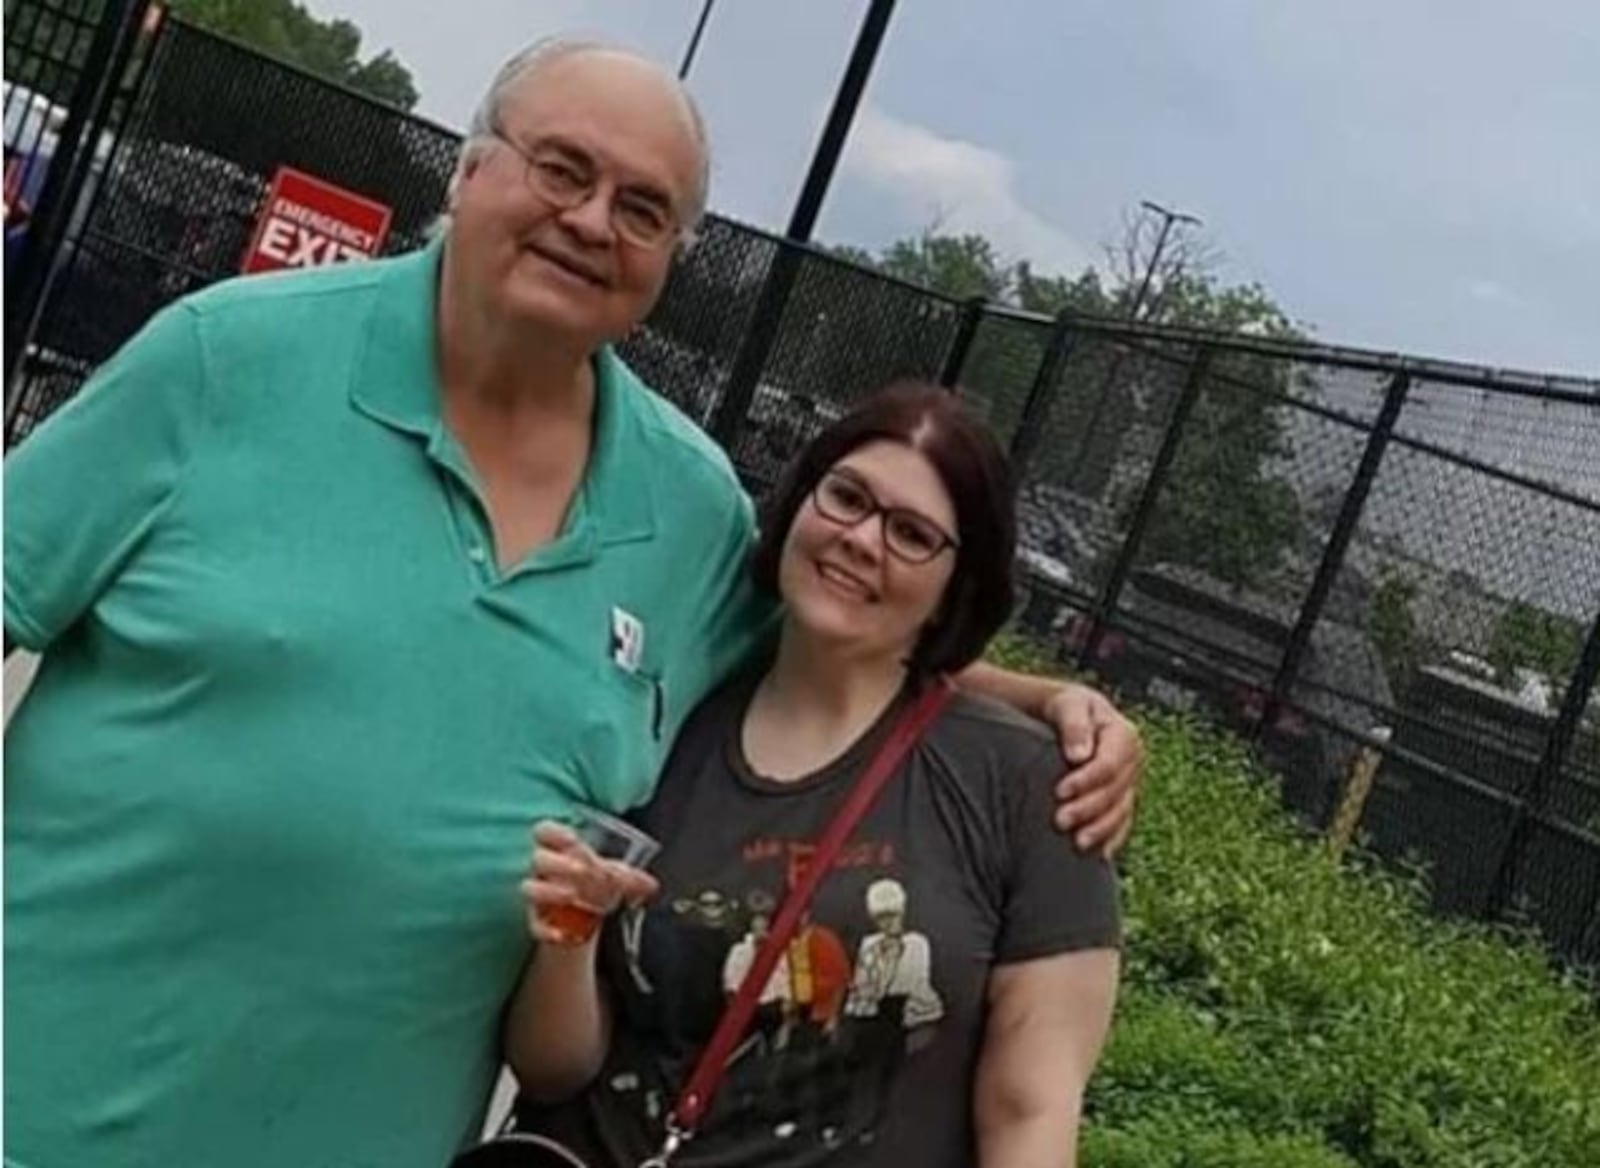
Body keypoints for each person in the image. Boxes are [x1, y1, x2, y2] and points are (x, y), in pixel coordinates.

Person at [2, 40, 1136, 1168]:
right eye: (562, 169)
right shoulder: (226, 360)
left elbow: (835, 637)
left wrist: (1045, 703)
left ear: (670, 257)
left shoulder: (683, 511)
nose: (593, 222)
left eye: (643, 209)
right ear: (469, 169)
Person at [512, 383, 1122, 1167]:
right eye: (847, 497)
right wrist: (568, 937)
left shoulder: (1029, 787)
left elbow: (1030, 1109)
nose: (863, 539)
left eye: (912, 534)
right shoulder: (667, 716)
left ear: (953, 589)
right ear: (801, 501)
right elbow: (553, 1067)